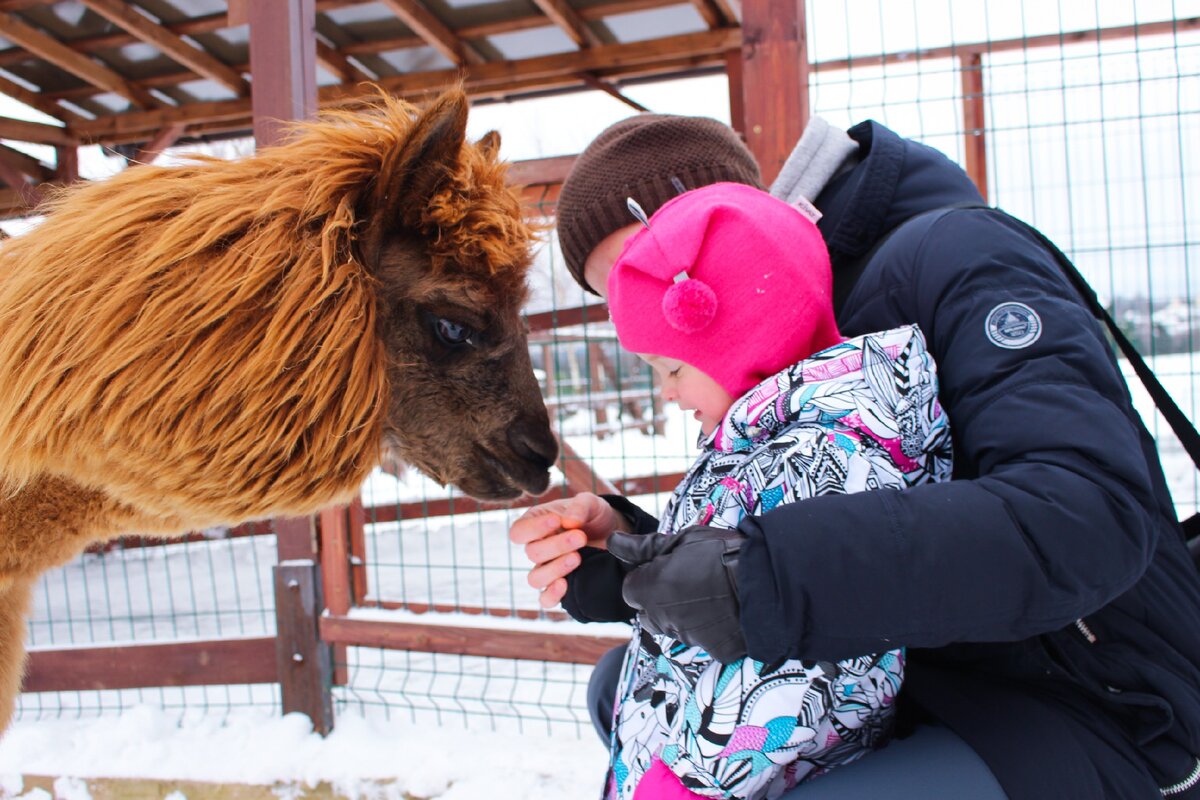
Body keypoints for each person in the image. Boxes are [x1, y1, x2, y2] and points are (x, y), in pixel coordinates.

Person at [510, 113, 1200, 798]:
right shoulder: (759, 366)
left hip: (1090, 700)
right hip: (908, 688)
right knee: (620, 692)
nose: (646, 301)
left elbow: (1086, 515)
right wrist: (645, 562)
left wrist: (760, 578)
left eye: (648, 264)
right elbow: (793, 523)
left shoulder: (955, 255)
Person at [595, 181, 951, 799]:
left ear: (743, 339)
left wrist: (683, 783)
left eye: (673, 370)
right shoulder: (763, 442)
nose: (669, 395)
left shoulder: (828, 459)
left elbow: (809, 677)